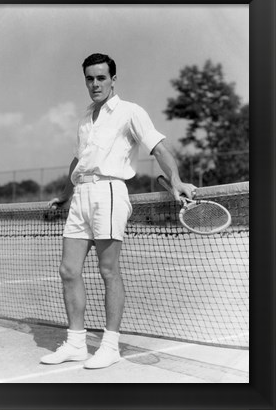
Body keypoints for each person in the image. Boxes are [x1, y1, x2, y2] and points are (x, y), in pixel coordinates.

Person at [40, 53, 196, 369]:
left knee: (108, 270)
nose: (95, 84)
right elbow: (78, 160)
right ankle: (76, 343)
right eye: (89, 78)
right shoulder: (86, 117)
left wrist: (177, 181)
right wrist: (65, 194)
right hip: (81, 195)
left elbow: (159, 149)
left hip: (110, 192)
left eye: (101, 78)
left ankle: (110, 346)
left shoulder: (130, 112)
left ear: (113, 79)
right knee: (68, 271)